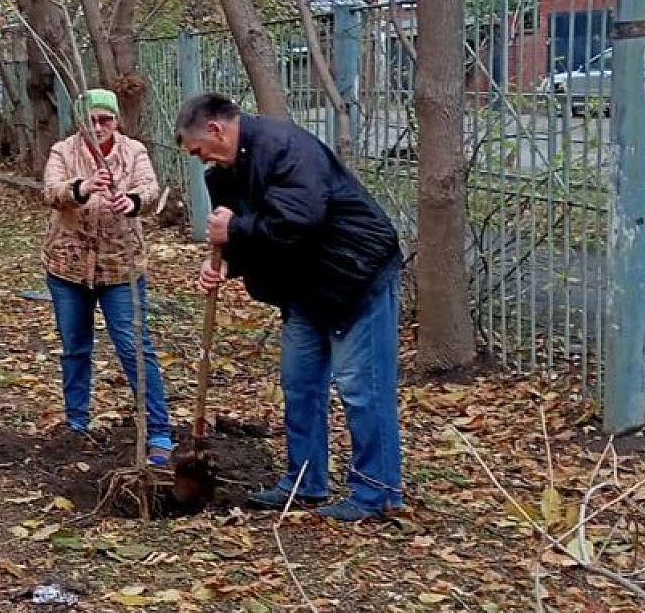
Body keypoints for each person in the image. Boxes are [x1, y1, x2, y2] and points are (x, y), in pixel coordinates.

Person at [175, 92, 403, 521]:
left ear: (216, 130)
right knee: (299, 385)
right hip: (304, 289)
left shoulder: (285, 147)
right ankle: (305, 481)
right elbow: (248, 234)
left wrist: (235, 229)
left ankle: (377, 494)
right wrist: (228, 266)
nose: (199, 159)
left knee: (362, 390)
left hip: (355, 276)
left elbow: (299, 220)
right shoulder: (223, 173)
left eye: (198, 149)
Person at [41, 88, 174, 464]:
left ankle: (159, 431)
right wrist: (81, 188)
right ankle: (77, 425)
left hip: (120, 268)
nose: (98, 126)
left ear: (117, 121)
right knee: (75, 347)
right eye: (91, 119)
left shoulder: (134, 152)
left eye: (106, 119)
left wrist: (131, 201)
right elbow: (51, 192)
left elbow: (149, 190)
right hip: (68, 267)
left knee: (135, 347)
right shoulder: (63, 151)